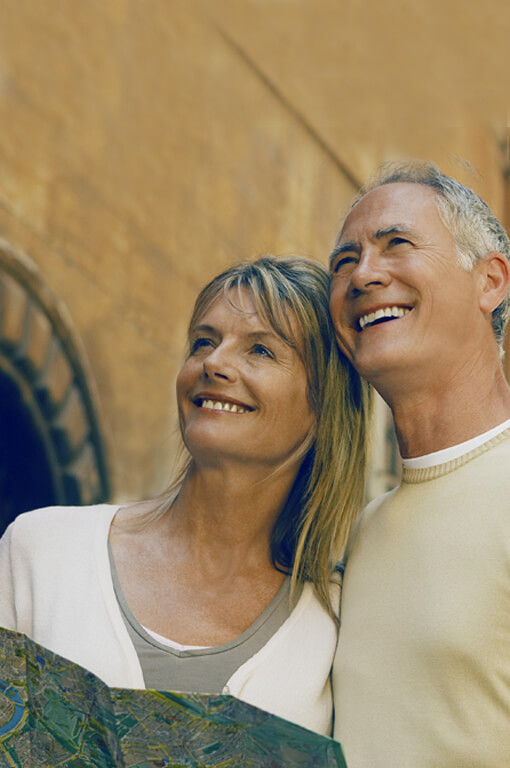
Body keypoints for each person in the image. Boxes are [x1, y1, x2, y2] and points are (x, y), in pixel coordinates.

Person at [0, 255, 369, 736]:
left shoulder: (338, 623)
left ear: (325, 404)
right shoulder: (41, 551)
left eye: (260, 350)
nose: (213, 363)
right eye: (203, 342)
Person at [329, 160, 510, 767]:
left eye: (396, 243)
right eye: (344, 261)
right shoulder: (358, 531)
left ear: (490, 282)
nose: (363, 275)